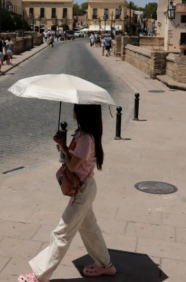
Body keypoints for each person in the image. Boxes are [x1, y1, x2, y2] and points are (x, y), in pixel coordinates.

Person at [19, 104, 115, 282]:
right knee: (89, 229)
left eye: (75, 107)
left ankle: (40, 276)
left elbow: (72, 166)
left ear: (81, 112)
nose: (72, 109)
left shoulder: (86, 138)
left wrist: (63, 147)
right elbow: (72, 161)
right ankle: (104, 265)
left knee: (61, 233)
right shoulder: (80, 133)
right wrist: (62, 145)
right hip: (84, 188)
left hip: (83, 190)